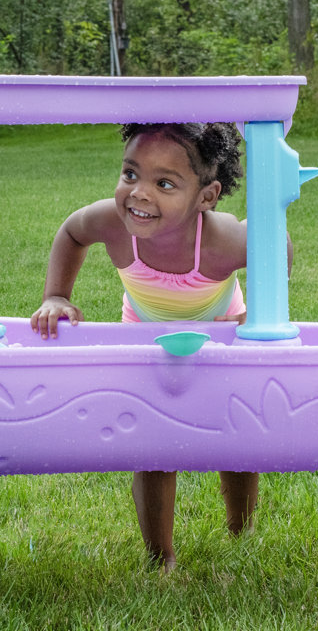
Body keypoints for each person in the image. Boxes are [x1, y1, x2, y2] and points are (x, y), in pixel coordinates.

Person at [30, 121, 283, 571]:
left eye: (164, 183)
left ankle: (240, 529)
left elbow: (274, 244)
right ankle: (159, 556)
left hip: (221, 327)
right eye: (131, 174)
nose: (139, 193)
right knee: (154, 446)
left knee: (237, 437)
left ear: (205, 197)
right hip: (145, 331)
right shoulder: (112, 223)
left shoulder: (221, 238)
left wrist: (262, 311)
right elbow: (72, 232)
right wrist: (57, 295)